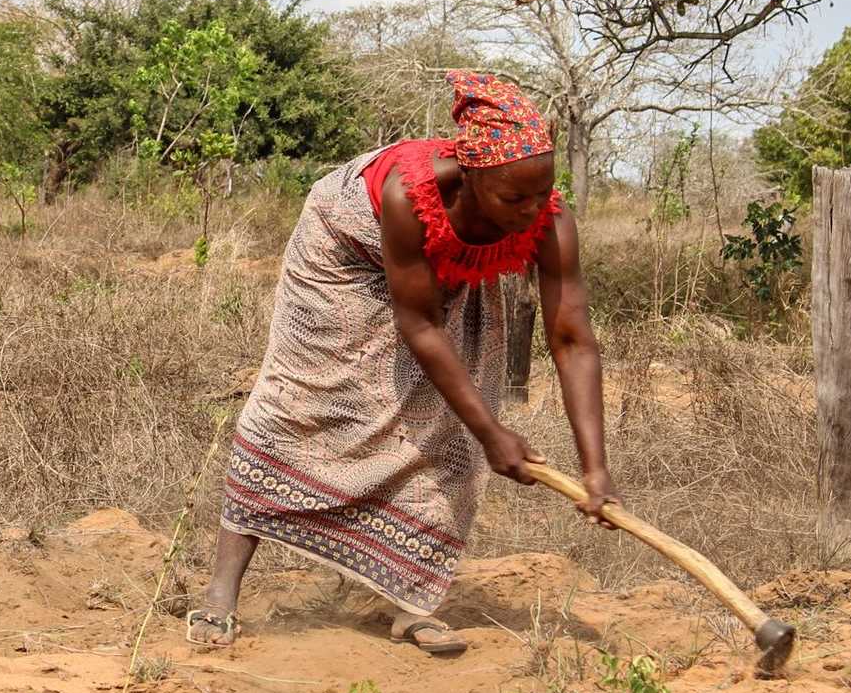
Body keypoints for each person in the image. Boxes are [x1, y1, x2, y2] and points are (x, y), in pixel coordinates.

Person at [186, 70, 621, 652]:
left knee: (446, 430)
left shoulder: (548, 220)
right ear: (468, 176)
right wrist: (494, 433)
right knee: (297, 405)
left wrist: (595, 467)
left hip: (446, 266)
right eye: (514, 198)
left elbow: (572, 340)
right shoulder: (407, 194)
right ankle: (221, 592)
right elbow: (419, 323)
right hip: (344, 251)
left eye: (542, 194)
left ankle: (410, 603)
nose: (531, 211)